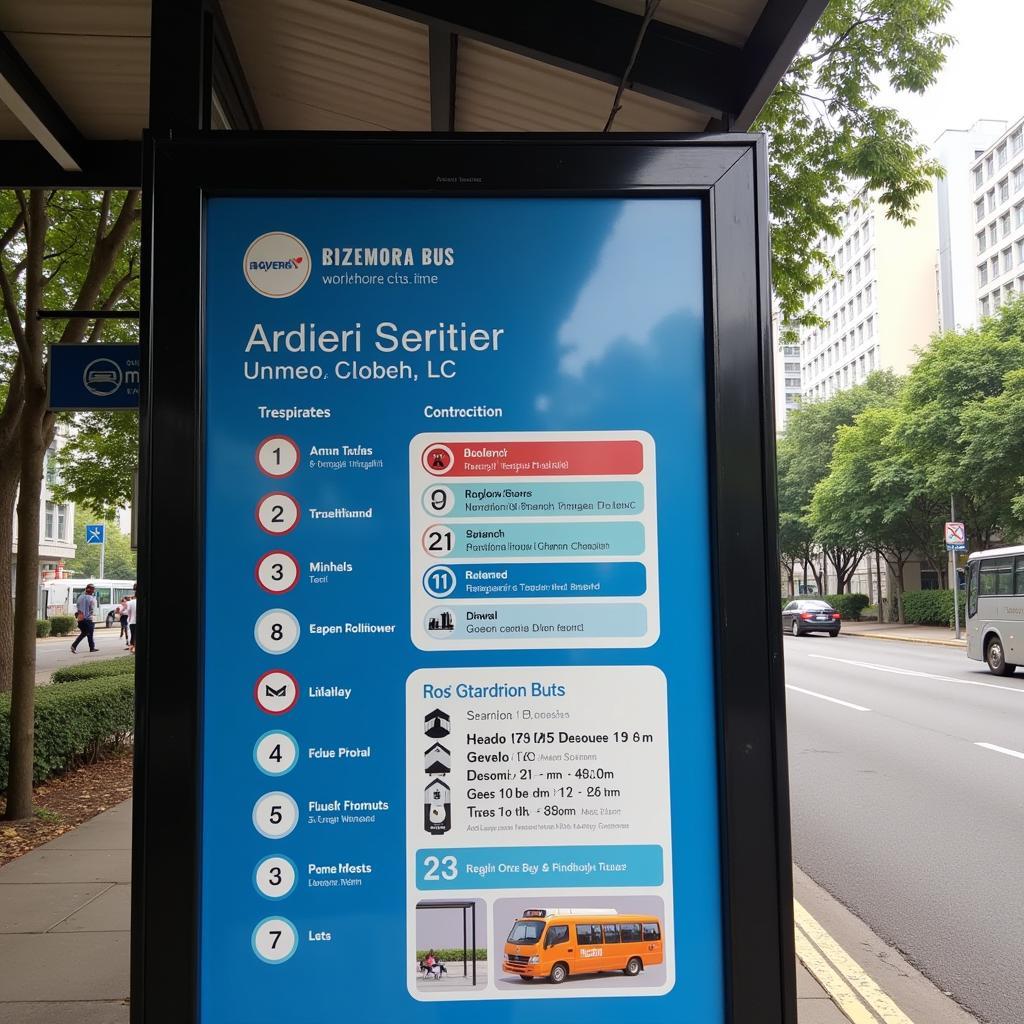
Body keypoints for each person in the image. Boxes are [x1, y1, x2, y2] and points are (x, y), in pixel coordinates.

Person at [70, 583, 98, 653]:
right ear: (91, 591)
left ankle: (92, 647)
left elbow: (78, 607)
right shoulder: (91, 599)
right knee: (86, 632)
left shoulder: (80, 597)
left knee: (88, 633)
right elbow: (90, 609)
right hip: (88, 619)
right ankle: (74, 645)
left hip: (81, 618)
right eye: (93, 590)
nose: (93, 591)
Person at [126, 584, 138, 653]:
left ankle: (132, 647)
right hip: (137, 622)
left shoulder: (130, 602)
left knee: (133, 635)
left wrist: (129, 620)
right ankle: (134, 648)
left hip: (132, 622)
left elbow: (129, 613)